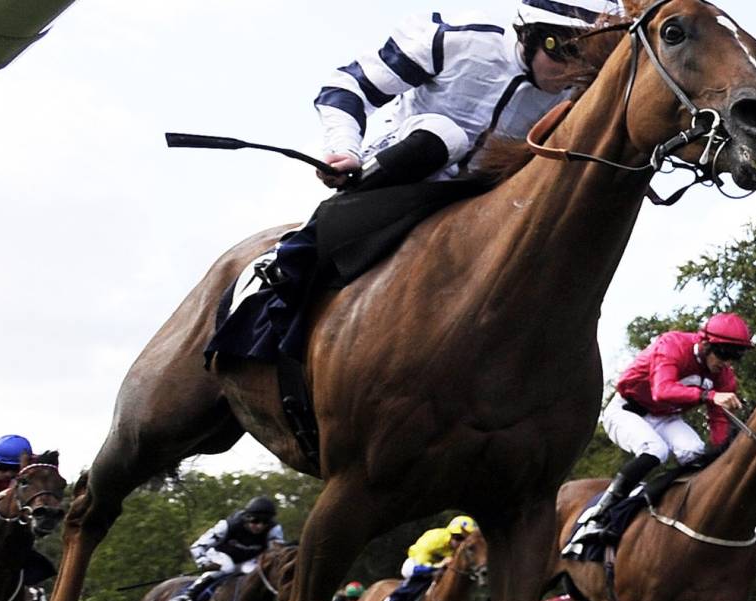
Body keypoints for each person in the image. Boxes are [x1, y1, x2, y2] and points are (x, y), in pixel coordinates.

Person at [207, 0, 620, 364]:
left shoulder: (575, 96)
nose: (569, 73)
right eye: (561, 50)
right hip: (406, 165)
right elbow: (347, 85)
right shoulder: (459, 41)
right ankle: (288, 265)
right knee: (447, 135)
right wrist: (345, 148)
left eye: (586, 61)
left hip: (483, 200)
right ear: (528, 34)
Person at [565, 313, 755, 549]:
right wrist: (710, 395)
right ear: (706, 344)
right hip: (627, 411)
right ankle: (600, 514)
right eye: (724, 354)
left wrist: (723, 454)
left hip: (665, 416)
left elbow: (718, 418)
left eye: (734, 357)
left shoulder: (724, 376)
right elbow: (662, 390)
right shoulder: (673, 345)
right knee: (657, 450)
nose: (726, 363)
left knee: (696, 452)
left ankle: (685, 516)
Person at [162, 496, 286, 601]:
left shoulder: (274, 529)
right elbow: (197, 546)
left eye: (265, 522)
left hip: (248, 560)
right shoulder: (229, 525)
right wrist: (204, 563)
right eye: (255, 521)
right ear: (247, 518)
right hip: (221, 555)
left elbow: (275, 553)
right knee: (228, 568)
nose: (260, 526)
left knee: (258, 575)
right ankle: (184, 598)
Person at [381, 515, 478, 601]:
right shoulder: (434, 540)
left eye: (465, 540)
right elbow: (420, 566)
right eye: (458, 538)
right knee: (420, 579)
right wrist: (439, 566)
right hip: (416, 564)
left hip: (438, 567)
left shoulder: (463, 549)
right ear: (450, 535)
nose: (461, 544)